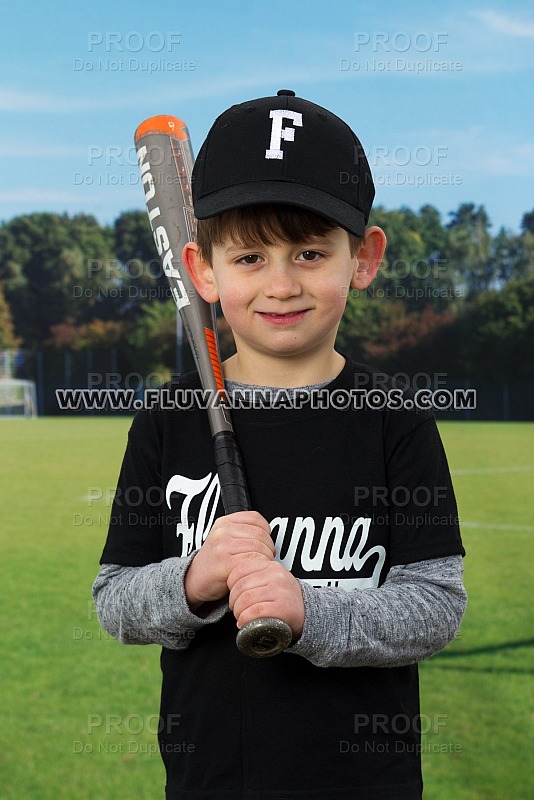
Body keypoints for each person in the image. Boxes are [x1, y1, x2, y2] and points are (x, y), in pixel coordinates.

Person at [93, 89, 466, 799]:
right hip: (210, 779)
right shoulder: (170, 418)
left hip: (364, 781)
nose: (282, 283)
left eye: (309, 251)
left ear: (364, 257)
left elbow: (436, 606)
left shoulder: (394, 418)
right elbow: (115, 601)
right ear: (202, 269)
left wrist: (308, 611)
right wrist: (193, 580)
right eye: (251, 257)